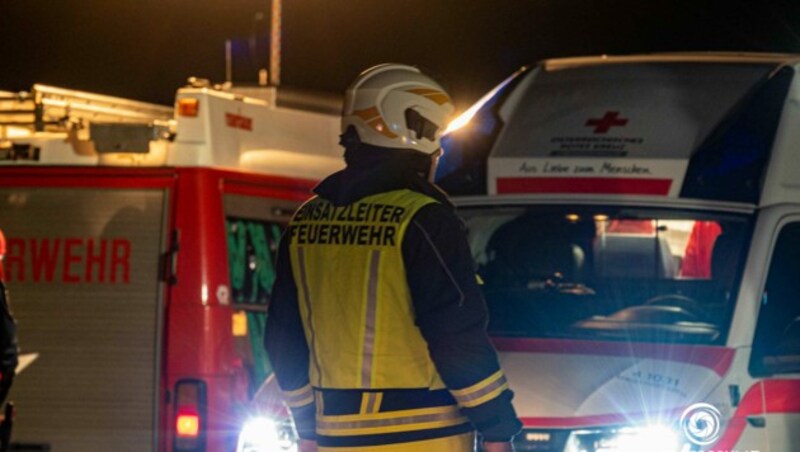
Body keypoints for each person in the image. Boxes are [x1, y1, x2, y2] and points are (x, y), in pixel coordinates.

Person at [265, 64, 522, 452]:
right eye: (434, 136)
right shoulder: (423, 218)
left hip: (335, 437)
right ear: (412, 130)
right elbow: (455, 334)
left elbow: (283, 338)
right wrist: (498, 429)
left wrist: (306, 425)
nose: (437, 150)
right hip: (424, 438)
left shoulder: (306, 220)